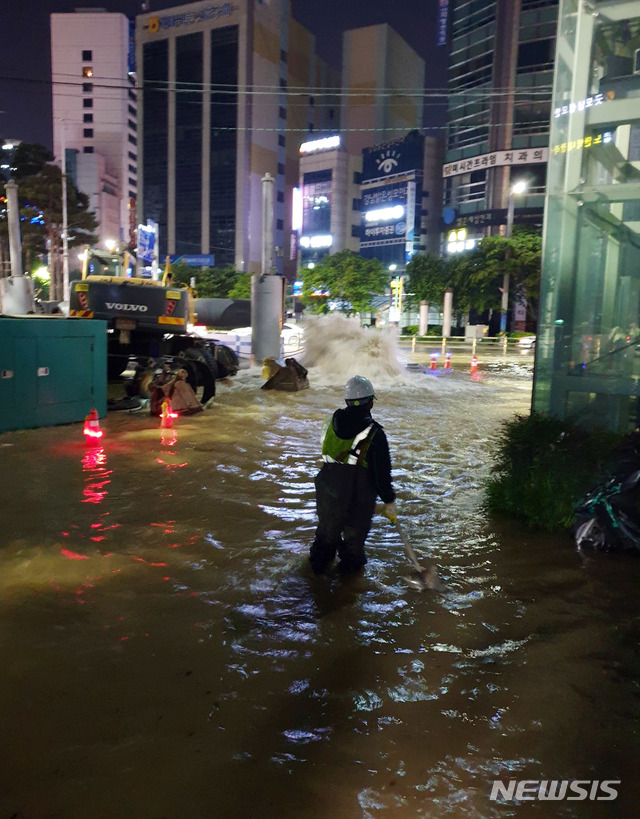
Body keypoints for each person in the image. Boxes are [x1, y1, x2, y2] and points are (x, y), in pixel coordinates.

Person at [310, 375, 397, 574]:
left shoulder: (330, 423)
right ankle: (346, 597)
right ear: (369, 403)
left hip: (328, 494)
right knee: (352, 550)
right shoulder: (375, 434)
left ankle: (314, 583)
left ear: (347, 400)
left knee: (324, 541)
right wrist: (389, 502)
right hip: (358, 499)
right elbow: (382, 475)